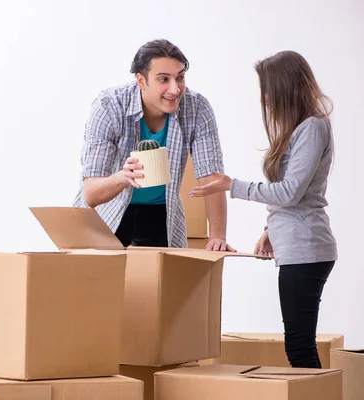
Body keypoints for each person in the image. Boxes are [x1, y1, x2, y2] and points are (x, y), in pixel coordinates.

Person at [189, 50, 337, 369]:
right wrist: (272, 229)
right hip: (298, 248)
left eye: (267, 91)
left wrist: (232, 185)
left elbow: (290, 191)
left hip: (307, 250)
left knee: (298, 348)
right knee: (298, 345)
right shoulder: (300, 129)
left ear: (285, 87)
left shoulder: (312, 128)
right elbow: (298, 193)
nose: (265, 100)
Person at [72, 39, 235, 251]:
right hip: (109, 209)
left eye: (180, 77)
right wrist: (124, 176)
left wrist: (218, 236)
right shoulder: (109, 106)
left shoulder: (197, 108)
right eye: (163, 79)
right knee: (101, 280)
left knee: (164, 281)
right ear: (141, 81)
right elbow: (91, 193)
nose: (175, 89)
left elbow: (211, 178)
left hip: (162, 212)